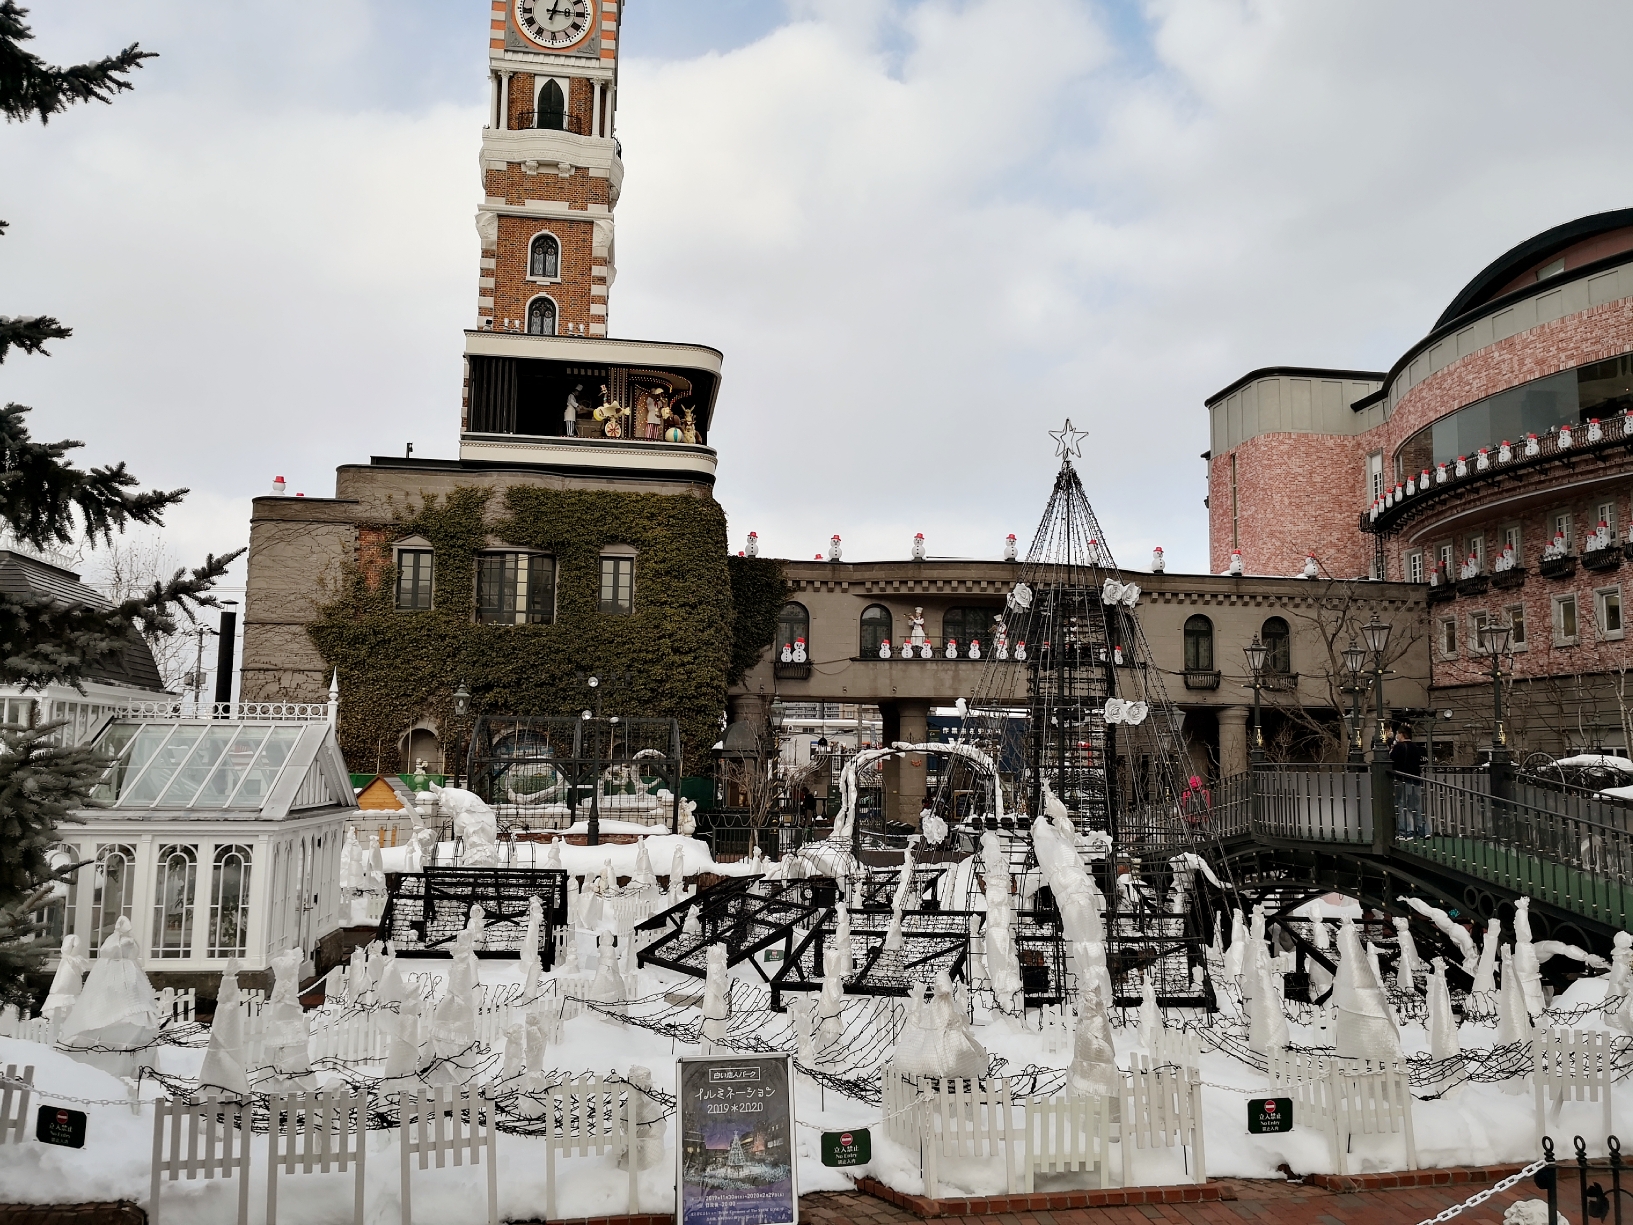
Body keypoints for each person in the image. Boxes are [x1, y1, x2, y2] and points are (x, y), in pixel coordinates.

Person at [1389, 725, 1428, 838]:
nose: (1397, 736)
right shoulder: (1416, 747)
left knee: (1401, 805)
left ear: (1402, 734)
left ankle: (1405, 831)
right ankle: (1423, 831)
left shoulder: (1399, 747)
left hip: (1402, 778)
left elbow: (1391, 759)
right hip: (1415, 778)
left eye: (1397, 734)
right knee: (1416, 805)